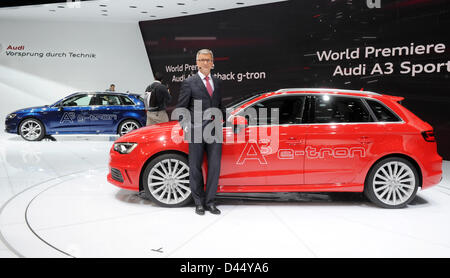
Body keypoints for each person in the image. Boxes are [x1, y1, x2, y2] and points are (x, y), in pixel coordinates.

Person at [177, 49, 225, 216]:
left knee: (214, 167)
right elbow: (181, 108)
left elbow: (220, 105)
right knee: (195, 167)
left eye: (208, 60)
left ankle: (210, 202)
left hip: (215, 132)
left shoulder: (218, 82)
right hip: (196, 131)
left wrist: (223, 120)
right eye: (202, 59)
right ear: (197, 62)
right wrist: (186, 127)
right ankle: (198, 203)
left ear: (213, 62)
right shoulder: (189, 82)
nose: (205, 62)